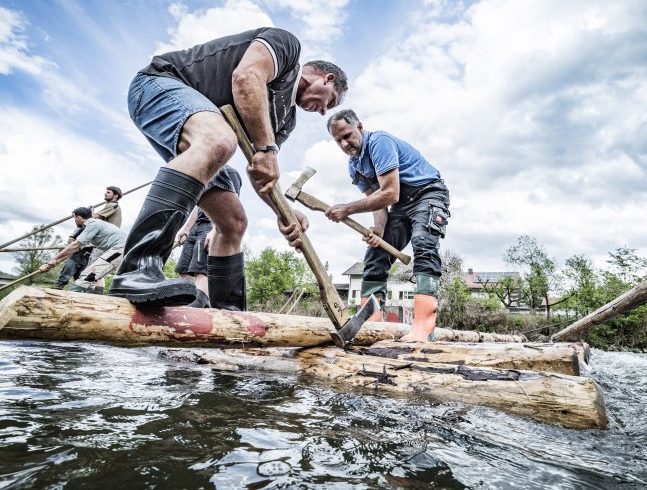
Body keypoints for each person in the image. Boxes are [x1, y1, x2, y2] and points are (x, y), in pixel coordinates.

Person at [109, 27, 348, 309]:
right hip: (157, 86)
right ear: (326, 78)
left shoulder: (285, 119)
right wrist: (266, 149)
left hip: (200, 134)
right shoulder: (286, 47)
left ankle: (228, 314)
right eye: (329, 102)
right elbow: (246, 77)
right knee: (219, 141)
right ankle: (137, 269)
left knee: (233, 222)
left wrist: (283, 212)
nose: (323, 111)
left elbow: (262, 170)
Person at [324, 109, 450, 342]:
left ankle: (423, 329)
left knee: (423, 244)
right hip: (400, 206)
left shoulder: (379, 143)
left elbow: (390, 193)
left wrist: (348, 208)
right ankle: (373, 326)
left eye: (348, 135)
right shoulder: (354, 166)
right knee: (375, 254)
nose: (344, 143)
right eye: (338, 140)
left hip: (427, 194)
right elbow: (378, 201)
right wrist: (379, 230)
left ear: (359, 127)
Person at [40, 207, 128, 294]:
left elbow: (75, 245)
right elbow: (74, 249)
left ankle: (67, 300)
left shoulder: (93, 224)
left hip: (119, 249)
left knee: (88, 275)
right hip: (119, 250)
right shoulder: (93, 225)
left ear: (78, 218)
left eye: (74, 218)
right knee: (92, 278)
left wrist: (53, 260)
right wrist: (53, 263)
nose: (75, 221)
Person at [54, 224, 93, 290]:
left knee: (81, 281)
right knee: (65, 276)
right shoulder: (84, 227)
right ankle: (58, 290)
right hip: (76, 255)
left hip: (89, 258)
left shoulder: (102, 231)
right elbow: (71, 238)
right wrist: (76, 246)